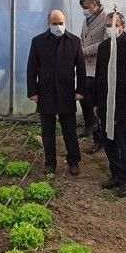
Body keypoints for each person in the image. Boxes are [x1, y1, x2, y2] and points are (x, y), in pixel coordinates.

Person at [26, 10, 87, 176]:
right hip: (46, 92)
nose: (58, 26)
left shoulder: (74, 41)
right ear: (48, 24)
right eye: (55, 23)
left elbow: (81, 68)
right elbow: (31, 68)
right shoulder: (38, 41)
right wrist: (32, 91)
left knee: (69, 129)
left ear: (65, 22)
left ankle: (74, 161)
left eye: (61, 23)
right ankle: (50, 163)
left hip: (66, 92)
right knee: (48, 131)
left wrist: (80, 90)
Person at [94, 12, 126, 197]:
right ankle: (115, 173)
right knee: (108, 140)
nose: (110, 29)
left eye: (113, 25)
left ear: (122, 25)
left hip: (124, 103)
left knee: (124, 142)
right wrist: (96, 102)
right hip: (105, 102)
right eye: (107, 26)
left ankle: (125, 178)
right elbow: (99, 75)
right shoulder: (103, 47)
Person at [78, 0, 108, 154]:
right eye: (83, 8)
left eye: (87, 8)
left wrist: (83, 51)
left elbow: (104, 44)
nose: (85, 11)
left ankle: (99, 138)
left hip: (97, 66)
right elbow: (82, 38)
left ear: (95, 5)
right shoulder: (86, 20)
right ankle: (89, 124)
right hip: (85, 66)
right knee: (82, 96)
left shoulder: (106, 19)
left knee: (95, 102)